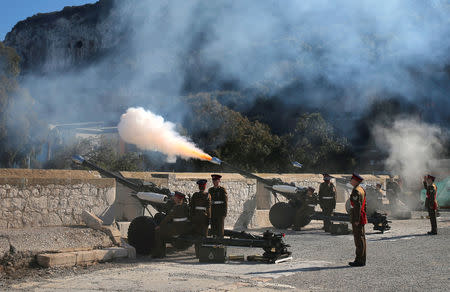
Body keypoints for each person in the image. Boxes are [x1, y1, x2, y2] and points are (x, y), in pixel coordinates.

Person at [152, 191, 191, 258]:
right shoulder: (185, 206)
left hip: (176, 229)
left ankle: (160, 254)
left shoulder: (175, 208)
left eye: (175, 197)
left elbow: (167, 219)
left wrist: (159, 226)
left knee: (158, 232)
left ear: (178, 199)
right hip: (184, 229)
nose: (173, 198)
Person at [348, 173, 367, 267]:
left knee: (358, 239)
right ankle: (362, 259)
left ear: (355, 180)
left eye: (352, 179)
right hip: (361, 216)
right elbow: (364, 205)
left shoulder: (356, 191)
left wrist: (356, 219)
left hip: (357, 217)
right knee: (361, 238)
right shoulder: (361, 189)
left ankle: (359, 260)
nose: (350, 181)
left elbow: (357, 206)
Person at [190, 179, 211, 256]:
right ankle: (203, 254)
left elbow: (191, 207)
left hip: (196, 217)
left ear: (199, 187)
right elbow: (208, 208)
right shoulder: (208, 195)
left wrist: (192, 217)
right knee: (204, 235)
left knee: (196, 235)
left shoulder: (195, 195)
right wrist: (209, 218)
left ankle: (197, 253)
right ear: (205, 187)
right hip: (204, 217)